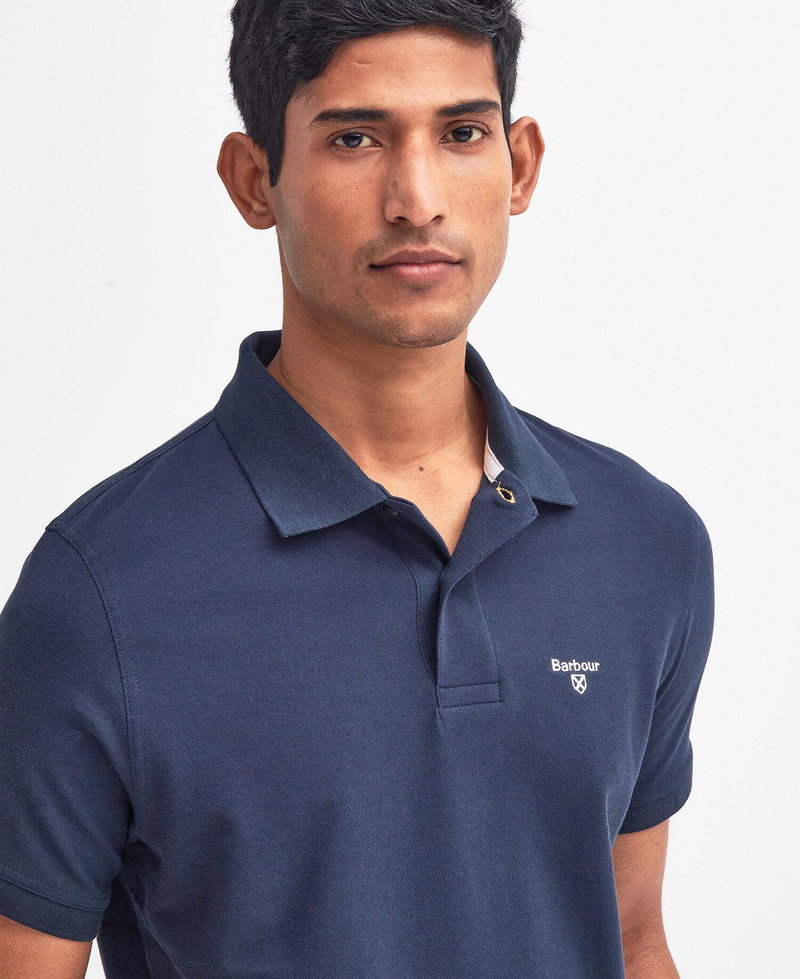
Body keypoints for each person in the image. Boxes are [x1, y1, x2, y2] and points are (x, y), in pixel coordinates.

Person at [0, 1, 715, 976]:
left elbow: (631, 938)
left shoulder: (642, 542)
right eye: (354, 139)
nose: (416, 198)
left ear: (520, 166)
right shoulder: (100, 591)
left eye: (461, 133)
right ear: (254, 180)